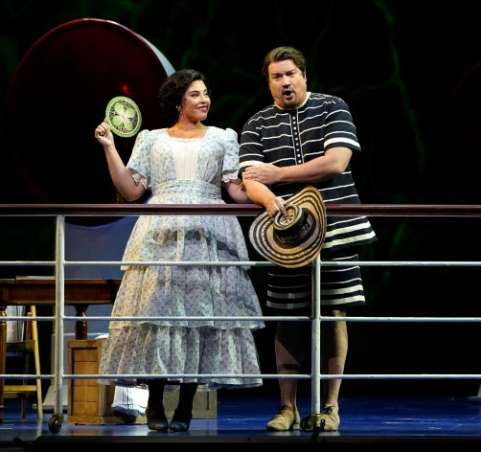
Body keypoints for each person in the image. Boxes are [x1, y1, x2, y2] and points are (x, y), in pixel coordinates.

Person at [94, 68, 265, 432]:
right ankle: (155, 405)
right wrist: (110, 147)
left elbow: (234, 190)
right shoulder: (151, 139)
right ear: (178, 102)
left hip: (209, 232)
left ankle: (185, 409)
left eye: (206, 93)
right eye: (195, 94)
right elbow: (132, 190)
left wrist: (264, 191)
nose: (204, 100)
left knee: (199, 320)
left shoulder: (223, 138)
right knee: (159, 317)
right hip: (162, 231)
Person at [239, 46, 377, 432]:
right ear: (268, 82)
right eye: (276, 77)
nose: (284, 82)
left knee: (334, 311)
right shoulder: (257, 124)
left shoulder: (333, 106)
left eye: (290, 74)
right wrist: (268, 198)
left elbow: (336, 162)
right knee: (288, 314)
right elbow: (250, 179)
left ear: (303, 75)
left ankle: (330, 408)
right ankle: (287, 407)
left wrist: (277, 176)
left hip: (336, 226)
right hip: (285, 234)